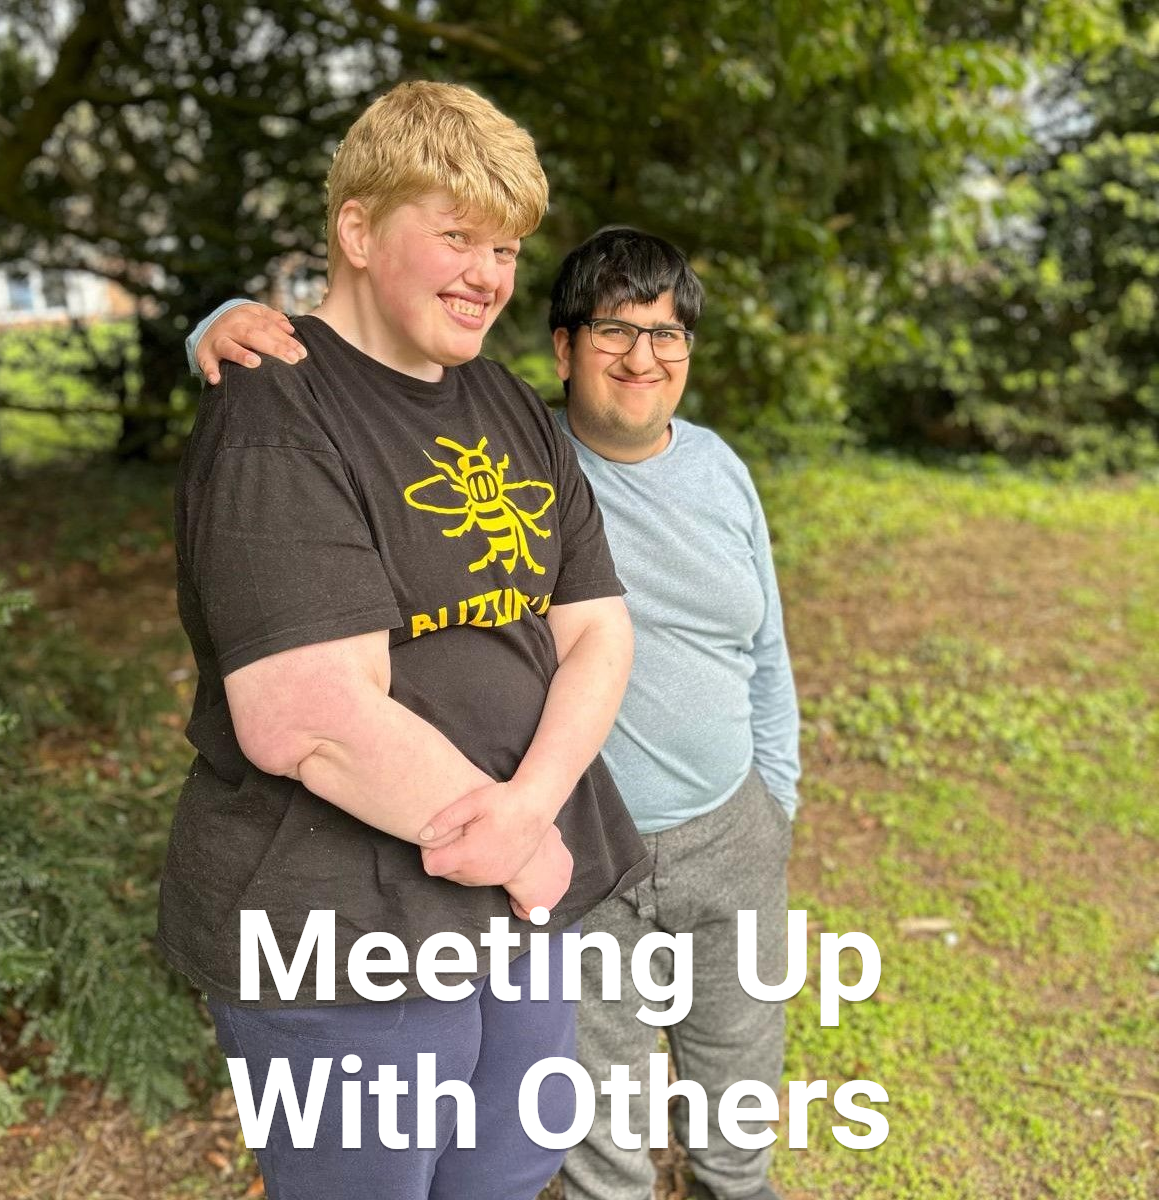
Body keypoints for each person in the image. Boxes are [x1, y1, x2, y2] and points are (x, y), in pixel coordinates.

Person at [191, 230, 801, 1200]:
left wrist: (777, 796)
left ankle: (738, 1183)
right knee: (589, 1100)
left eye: (668, 335)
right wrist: (219, 322)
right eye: (613, 331)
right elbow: (378, 392)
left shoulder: (721, 469)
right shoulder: (517, 443)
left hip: (727, 825)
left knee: (737, 1049)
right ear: (562, 351)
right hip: (582, 843)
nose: (643, 358)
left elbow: (767, 648)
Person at [159, 82, 651, 1200]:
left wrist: (533, 811)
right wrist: (526, 837)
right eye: (459, 237)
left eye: (510, 248)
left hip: (520, 885)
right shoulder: (274, 410)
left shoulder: (512, 406)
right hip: (340, 917)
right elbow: (307, 719)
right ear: (357, 230)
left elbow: (598, 634)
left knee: (511, 1163)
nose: (491, 275)